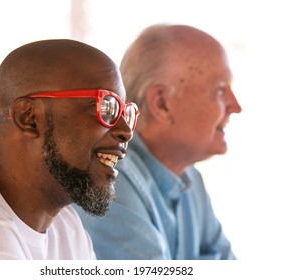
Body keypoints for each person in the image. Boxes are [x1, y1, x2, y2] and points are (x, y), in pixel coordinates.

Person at [0, 39, 139, 259]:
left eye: (126, 112)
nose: (126, 131)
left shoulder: (65, 227)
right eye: (106, 106)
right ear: (29, 118)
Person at [75, 24, 242, 260]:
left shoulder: (190, 179)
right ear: (162, 103)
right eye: (219, 90)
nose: (236, 106)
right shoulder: (111, 182)